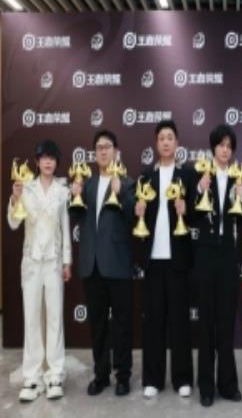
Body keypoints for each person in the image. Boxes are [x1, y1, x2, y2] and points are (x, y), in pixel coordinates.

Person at [70, 130, 135, 397]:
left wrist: (121, 195)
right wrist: (73, 195)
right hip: (92, 265)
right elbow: (76, 217)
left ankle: (123, 375)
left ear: (116, 151)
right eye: (99, 147)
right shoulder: (86, 184)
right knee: (97, 325)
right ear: (94, 153)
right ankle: (101, 375)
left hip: (118, 265)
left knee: (122, 324)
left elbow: (134, 218)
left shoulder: (128, 183)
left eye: (108, 146)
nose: (103, 151)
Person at [7, 140, 71, 402]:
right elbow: (13, 223)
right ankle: (32, 377)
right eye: (44, 157)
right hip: (32, 263)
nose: (48, 162)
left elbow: (65, 226)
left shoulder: (62, 190)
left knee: (55, 318)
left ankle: (55, 374)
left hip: (54, 262)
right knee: (32, 318)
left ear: (56, 162)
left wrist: (67, 261)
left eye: (52, 158)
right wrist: (15, 198)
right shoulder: (26, 187)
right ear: (36, 161)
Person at [135, 120, 194, 399]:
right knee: (154, 322)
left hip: (178, 259)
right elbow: (138, 217)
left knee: (180, 321)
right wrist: (138, 211)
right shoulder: (146, 176)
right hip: (153, 260)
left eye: (170, 137)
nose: (166, 142)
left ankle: (182, 378)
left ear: (177, 143)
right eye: (162, 138)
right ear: (156, 144)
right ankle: (153, 379)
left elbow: (198, 213)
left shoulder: (188, 174)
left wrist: (187, 208)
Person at [190, 124, 242, 407]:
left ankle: (228, 384)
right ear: (213, 147)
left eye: (229, 146)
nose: (225, 150)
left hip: (228, 256)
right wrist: (200, 189)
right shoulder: (201, 174)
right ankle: (206, 386)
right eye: (221, 145)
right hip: (205, 255)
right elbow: (190, 216)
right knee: (206, 323)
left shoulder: (238, 177)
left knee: (226, 322)